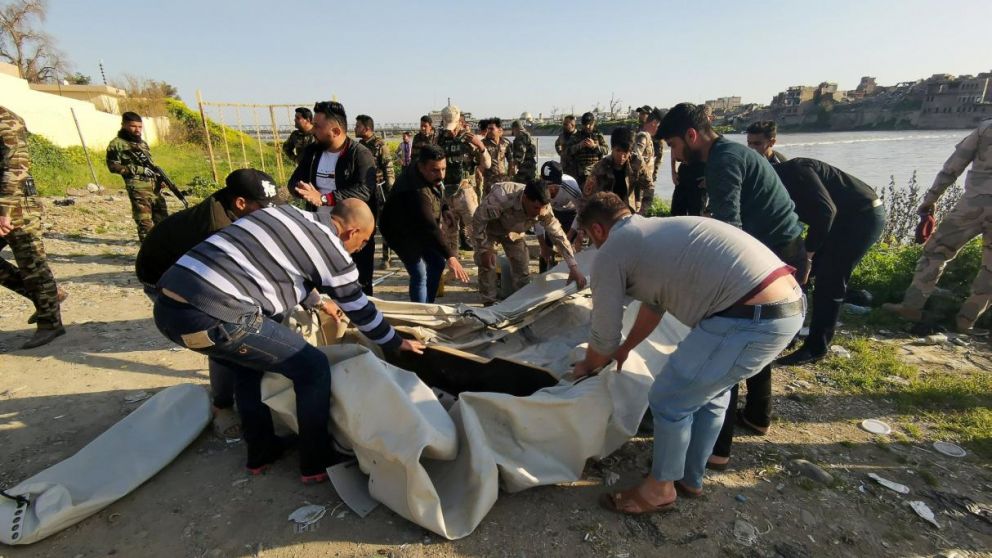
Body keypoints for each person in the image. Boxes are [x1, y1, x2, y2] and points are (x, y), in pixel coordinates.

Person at [154, 199, 426, 484]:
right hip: (216, 316)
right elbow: (359, 308)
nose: (361, 249)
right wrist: (395, 341)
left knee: (247, 366)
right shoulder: (333, 249)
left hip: (169, 309)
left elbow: (279, 263)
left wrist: (319, 303)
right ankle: (315, 462)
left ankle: (261, 452)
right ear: (351, 232)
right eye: (364, 241)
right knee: (313, 367)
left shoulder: (285, 214)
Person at [572, 192, 803, 515]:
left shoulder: (613, 250)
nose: (591, 244)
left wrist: (590, 363)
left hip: (751, 317)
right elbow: (655, 306)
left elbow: (604, 330)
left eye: (587, 236)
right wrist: (626, 350)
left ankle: (659, 490)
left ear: (597, 230)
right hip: (786, 305)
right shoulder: (654, 233)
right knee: (710, 395)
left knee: (669, 398)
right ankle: (690, 478)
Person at [657, 102, 805, 469]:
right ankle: (757, 415)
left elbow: (729, 233)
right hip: (780, 248)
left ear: (691, 136)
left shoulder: (723, 161)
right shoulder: (728, 154)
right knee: (755, 340)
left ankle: (717, 451)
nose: (675, 155)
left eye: (674, 146)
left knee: (730, 342)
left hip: (766, 252)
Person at [136, 168, 284, 438]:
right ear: (240, 204)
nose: (270, 215)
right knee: (221, 336)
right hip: (163, 279)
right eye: (264, 208)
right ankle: (222, 406)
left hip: (185, 266)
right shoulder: (218, 231)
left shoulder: (232, 207)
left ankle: (250, 392)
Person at [769, 158, 885, 365]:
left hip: (862, 216)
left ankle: (816, 348)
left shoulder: (796, 172)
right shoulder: (774, 184)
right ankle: (790, 335)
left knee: (829, 281)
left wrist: (808, 255)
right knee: (795, 275)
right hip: (837, 221)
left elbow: (826, 211)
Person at [883, 119, 992, 334]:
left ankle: (911, 307)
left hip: (974, 205)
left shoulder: (986, 128)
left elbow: (953, 167)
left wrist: (932, 198)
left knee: (935, 252)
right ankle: (966, 322)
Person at [288, 101, 379, 295]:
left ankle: (362, 320)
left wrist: (323, 198)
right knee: (323, 281)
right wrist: (301, 189)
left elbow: (364, 190)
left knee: (358, 283)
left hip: (352, 231)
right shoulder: (313, 152)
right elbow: (295, 180)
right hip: (320, 230)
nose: (313, 130)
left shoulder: (360, 154)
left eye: (319, 127)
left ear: (336, 131)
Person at [0, 105, 66, 349]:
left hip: (17, 208)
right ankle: (48, 297)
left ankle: (50, 323)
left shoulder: (7, 120)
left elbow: (16, 167)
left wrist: (3, 210)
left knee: (33, 264)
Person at [380, 145, 470, 302]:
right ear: (421, 167)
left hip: (418, 225)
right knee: (419, 272)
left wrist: (444, 208)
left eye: (443, 169)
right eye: (435, 170)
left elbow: (437, 190)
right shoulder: (415, 190)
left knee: (436, 262)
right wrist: (451, 256)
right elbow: (430, 227)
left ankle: (429, 304)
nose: (441, 175)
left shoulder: (427, 172)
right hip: (399, 231)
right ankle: (421, 311)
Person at [472, 179, 585, 303]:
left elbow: (558, 235)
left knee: (521, 265)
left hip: (515, 232)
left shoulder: (543, 207)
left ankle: (521, 302)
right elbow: (478, 220)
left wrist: (573, 267)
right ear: (525, 198)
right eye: (535, 208)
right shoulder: (502, 196)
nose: (538, 214)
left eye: (541, 209)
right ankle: (488, 303)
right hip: (490, 229)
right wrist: (483, 249)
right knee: (487, 264)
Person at [436, 104, 491, 256]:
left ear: (459, 121)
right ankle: (453, 270)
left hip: (465, 191)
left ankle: (484, 268)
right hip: (446, 193)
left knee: (476, 231)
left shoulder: (469, 139)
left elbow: (487, 164)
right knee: (448, 235)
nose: (450, 130)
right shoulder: (439, 139)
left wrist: (481, 147)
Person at [106, 112, 168, 241]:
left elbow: (150, 166)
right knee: (145, 223)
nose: (137, 130)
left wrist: (159, 180)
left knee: (163, 222)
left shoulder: (142, 144)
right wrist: (138, 169)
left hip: (154, 188)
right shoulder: (117, 144)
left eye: (140, 127)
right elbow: (113, 167)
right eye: (133, 126)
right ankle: (149, 255)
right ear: (124, 125)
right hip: (138, 188)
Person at [355, 114, 396, 269]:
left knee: (383, 225)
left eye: (358, 126)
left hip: (380, 191)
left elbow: (389, 168)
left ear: (366, 128)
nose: (355, 128)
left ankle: (387, 257)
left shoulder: (380, 145)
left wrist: (391, 192)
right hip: (363, 192)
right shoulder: (358, 146)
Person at [583, 127, 652, 212]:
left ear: (630, 151)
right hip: (606, 213)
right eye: (618, 151)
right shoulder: (600, 167)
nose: (622, 157)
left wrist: (643, 211)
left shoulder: (637, 163)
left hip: (628, 211)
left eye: (625, 152)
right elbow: (587, 195)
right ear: (612, 148)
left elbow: (649, 186)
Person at [536, 161, 582, 272]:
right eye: (548, 187)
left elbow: (581, 212)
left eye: (555, 187)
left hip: (571, 213)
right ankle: (543, 275)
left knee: (569, 247)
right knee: (546, 247)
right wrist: (542, 246)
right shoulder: (538, 189)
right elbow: (537, 219)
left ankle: (572, 273)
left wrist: (569, 236)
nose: (551, 190)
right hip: (552, 212)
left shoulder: (570, 186)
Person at [566, 112, 609, 187]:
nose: (587, 126)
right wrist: (580, 145)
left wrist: (594, 146)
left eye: (590, 124)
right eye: (585, 125)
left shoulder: (598, 135)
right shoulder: (576, 136)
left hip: (597, 171)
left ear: (593, 123)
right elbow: (568, 151)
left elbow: (606, 150)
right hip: (581, 172)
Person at [632, 107, 657, 211]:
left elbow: (657, 156)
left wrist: (654, 174)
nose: (640, 116)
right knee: (638, 205)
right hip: (639, 176)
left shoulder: (654, 134)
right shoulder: (639, 132)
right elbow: (636, 155)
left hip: (647, 174)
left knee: (643, 205)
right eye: (640, 113)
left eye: (643, 113)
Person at [481, 118, 512, 194]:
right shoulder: (483, 144)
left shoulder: (506, 143)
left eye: (491, 129)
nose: (489, 131)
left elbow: (511, 161)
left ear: (499, 129)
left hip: (503, 179)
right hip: (489, 180)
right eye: (488, 129)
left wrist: (509, 176)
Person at [556, 115, 579, 179]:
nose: (564, 126)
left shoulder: (579, 136)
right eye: (563, 124)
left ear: (572, 125)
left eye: (566, 124)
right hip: (564, 167)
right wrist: (560, 153)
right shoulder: (562, 136)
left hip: (576, 169)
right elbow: (557, 144)